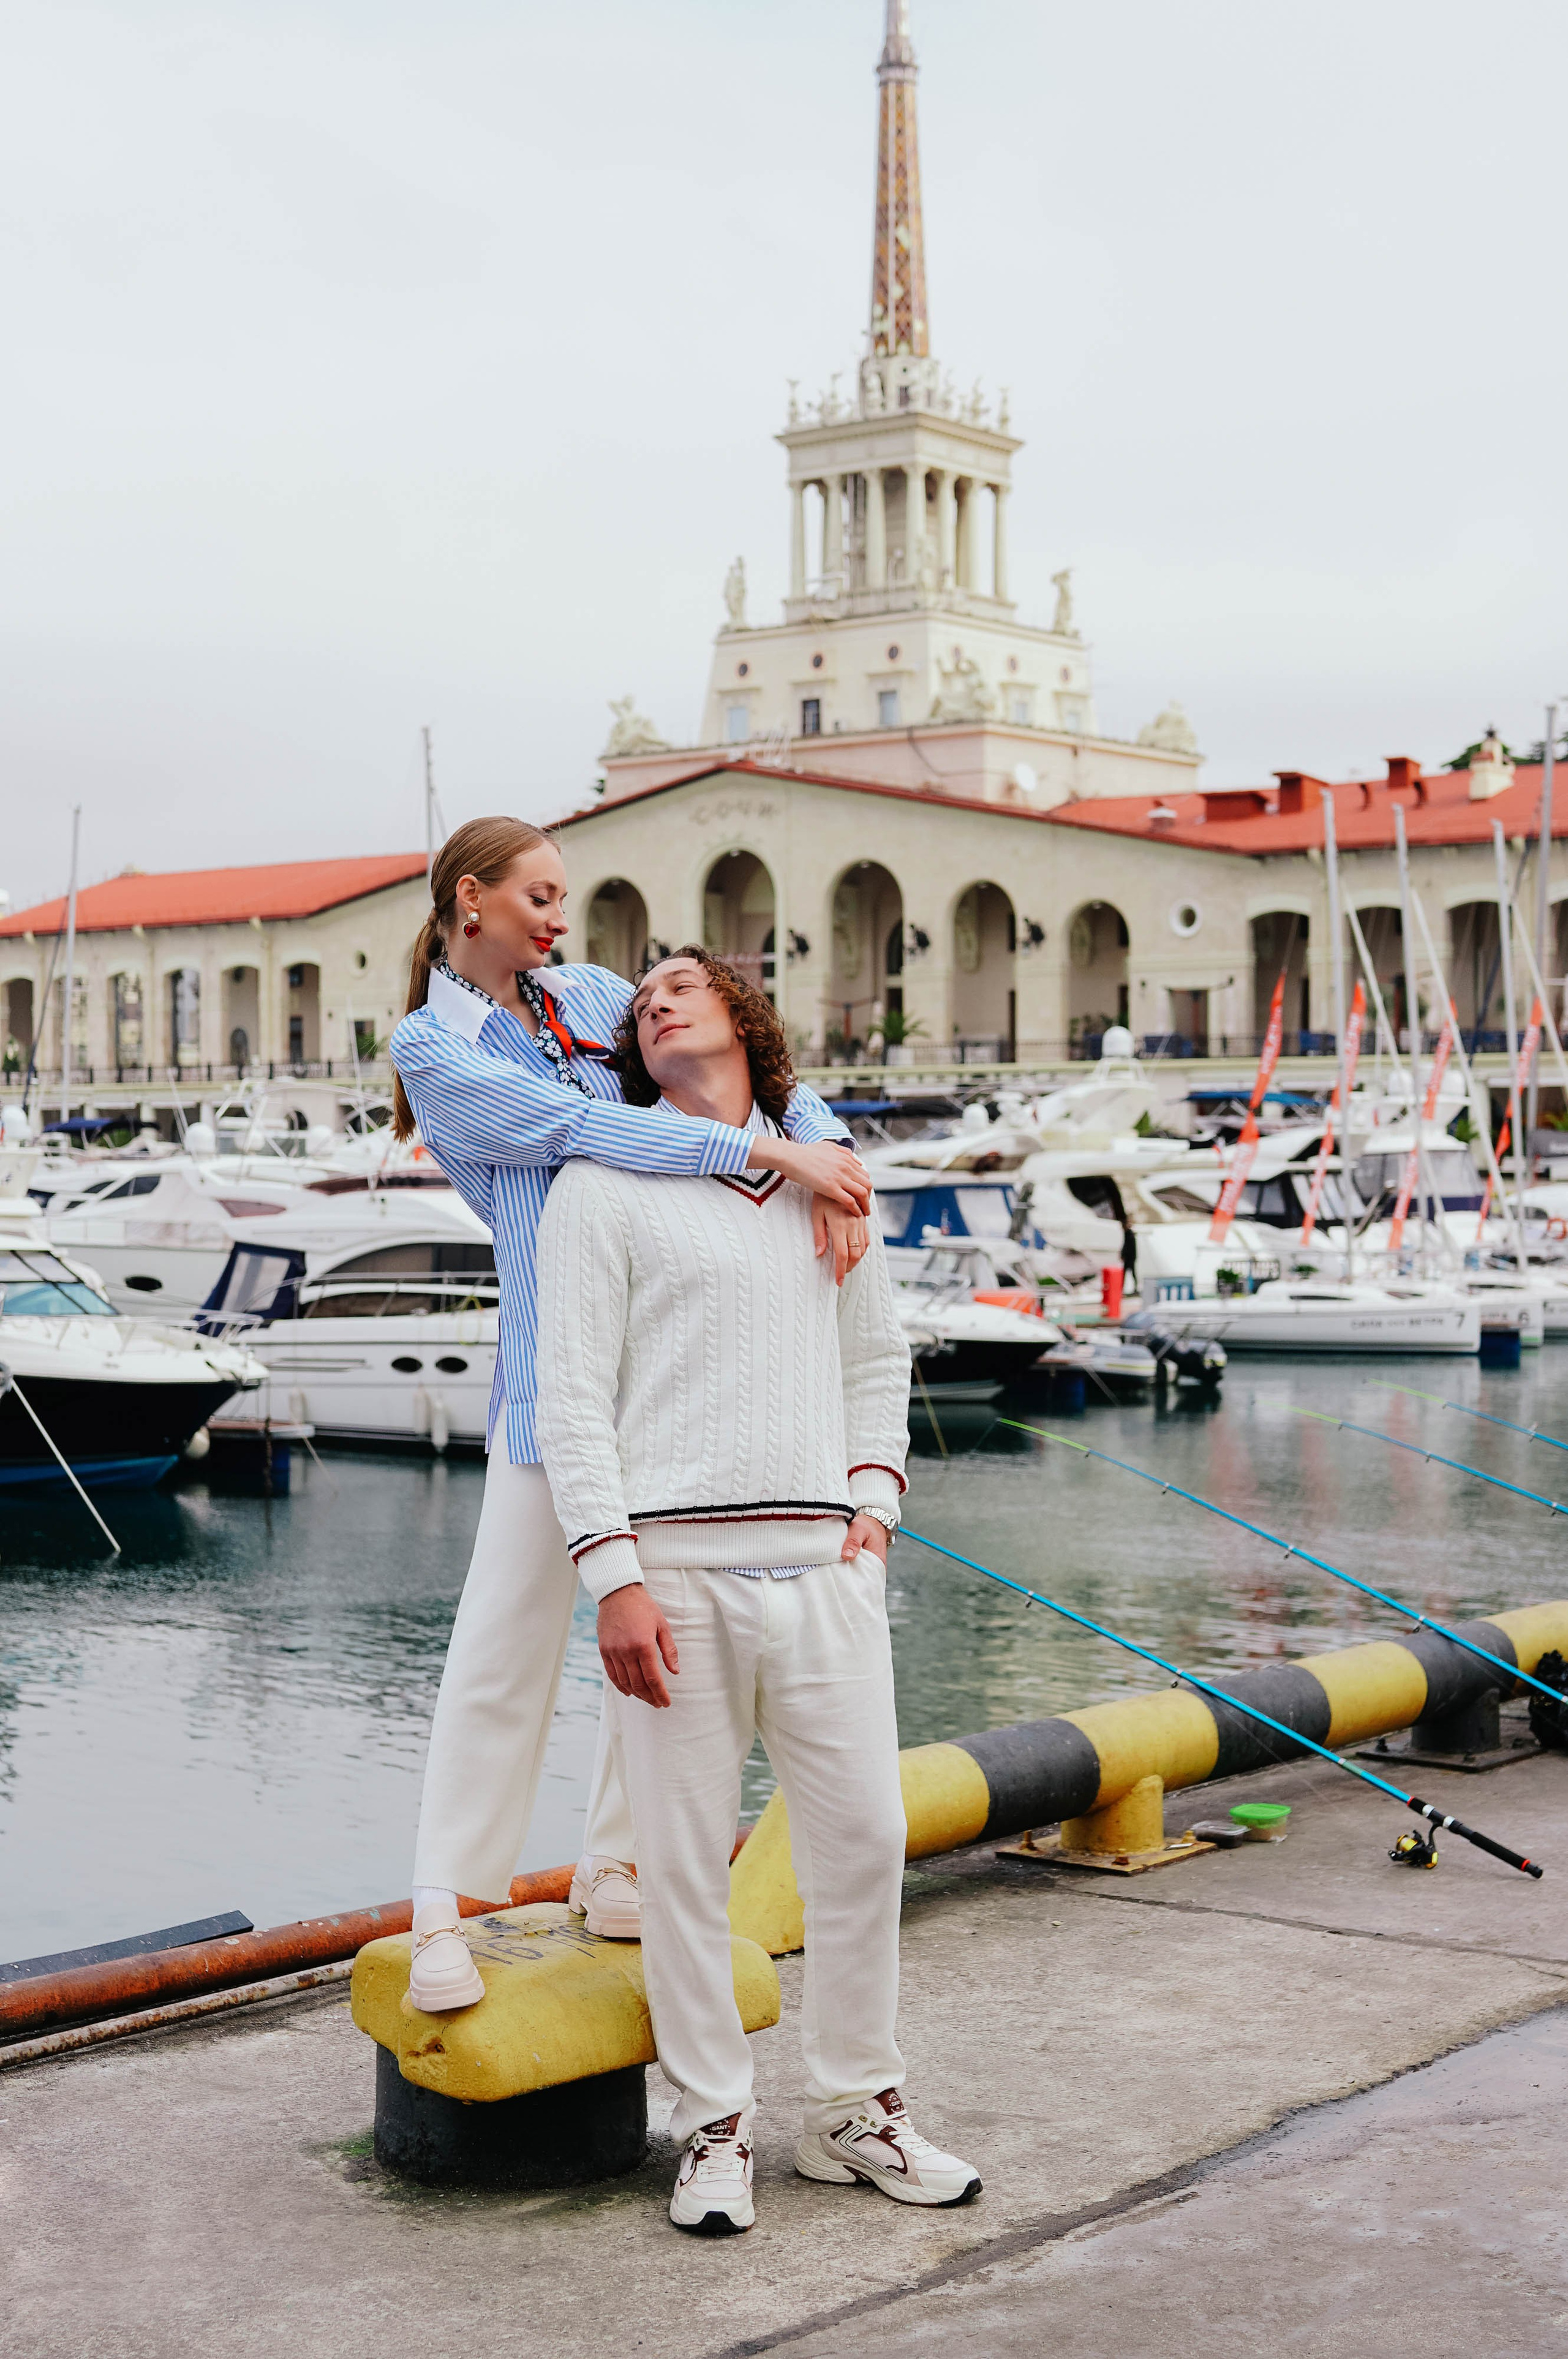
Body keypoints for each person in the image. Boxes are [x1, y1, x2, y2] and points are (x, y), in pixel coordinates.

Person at [536, 947, 981, 2233]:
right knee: (682, 1866)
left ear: (741, 1016)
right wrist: (612, 1574)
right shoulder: (601, 1184)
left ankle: (854, 2112)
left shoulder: (826, 1179)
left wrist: (874, 1514)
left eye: (682, 984)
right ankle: (712, 2124)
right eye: (642, 1002)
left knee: (865, 1842)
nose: (656, 1002)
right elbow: (572, 1395)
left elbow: (875, 1360)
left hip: (824, 1570)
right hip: (673, 1575)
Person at [389, 820, 870, 2009]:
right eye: (540, 898)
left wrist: (830, 1158)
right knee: (504, 1644)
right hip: (549, 1384)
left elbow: (753, 1077)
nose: (561, 920)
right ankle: (442, 1909)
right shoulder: (434, 1048)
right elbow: (584, 1130)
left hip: (660, 1379)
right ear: (470, 901)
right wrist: (775, 1159)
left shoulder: (597, 996)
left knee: (654, 1633)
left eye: (566, 898)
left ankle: (614, 1861)